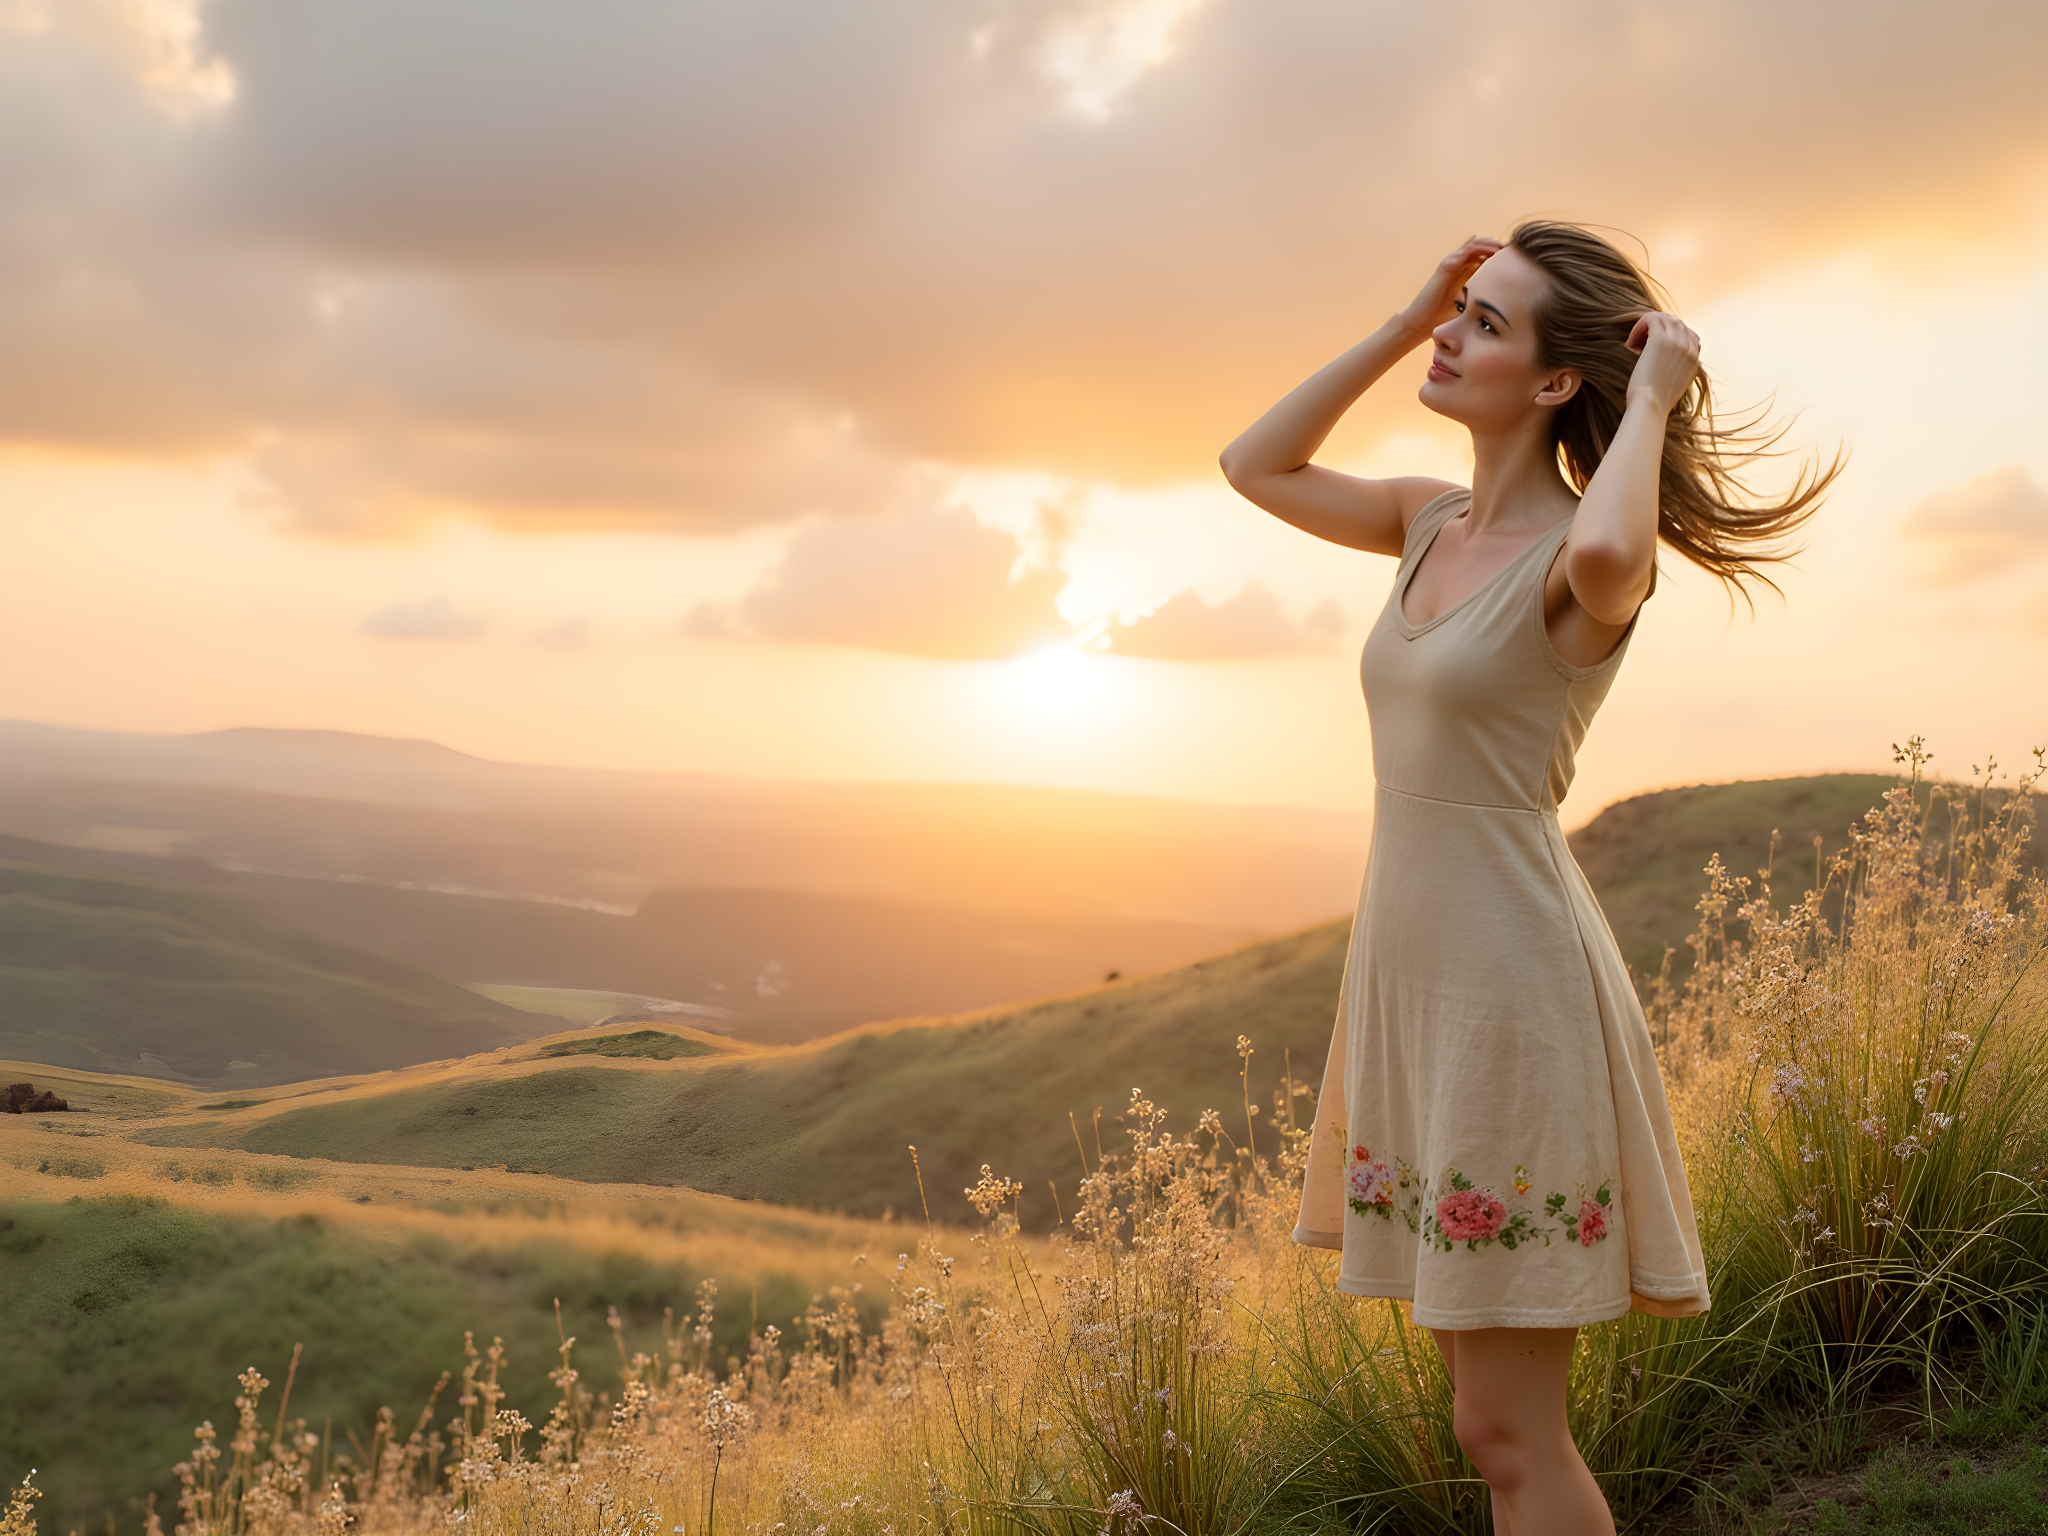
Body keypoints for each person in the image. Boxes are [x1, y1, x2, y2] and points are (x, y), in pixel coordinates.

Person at [1219, 222, 1836, 1534]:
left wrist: (1656, 395)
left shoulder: (1579, 558)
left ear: (1559, 381)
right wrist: (1403, 320)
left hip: (1511, 995)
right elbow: (1253, 463)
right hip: (1417, 985)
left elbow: (1620, 562)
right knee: (1479, 1421)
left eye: (1484, 323)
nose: (1453, 335)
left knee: (1508, 1431)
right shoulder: (1423, 522)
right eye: (1462, 310)